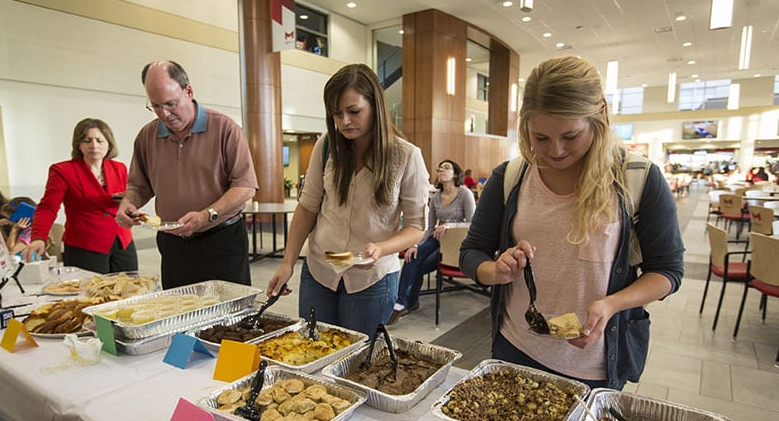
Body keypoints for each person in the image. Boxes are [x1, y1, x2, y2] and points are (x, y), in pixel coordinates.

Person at [459, 56, 684, 390]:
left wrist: (612, 304)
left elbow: (668, 271)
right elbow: (472, 251)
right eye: (541, 137)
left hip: (593, 366)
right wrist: (495, 271)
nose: (556, 151)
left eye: (571, 136)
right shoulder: (510, 177)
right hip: (514, 348)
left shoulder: (638, 179)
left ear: (601, 115)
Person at [266, 64, 430, 335]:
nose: (344, 122)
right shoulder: (327, 145)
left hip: (371, 279)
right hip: (321, 267)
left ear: (375, 106)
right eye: (336, 114)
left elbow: (416, 228)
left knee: (357, 360)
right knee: (312, 348)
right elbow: (307, 208)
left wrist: (381, 247)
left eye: (354, 112)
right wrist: (287, 263)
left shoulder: (406, 156)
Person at [116, 60, 258, 289]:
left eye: (171, 104)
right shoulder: (147, 136)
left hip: (220, 239)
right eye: (156, 106)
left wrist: (207, 214)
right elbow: (138, 186)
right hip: (173, 244)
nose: (164, 114)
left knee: (229, 316)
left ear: (188, 91)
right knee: (178, 310)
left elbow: (245, 186)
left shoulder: (225, 129)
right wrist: (128, 204)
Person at [25, 119, 138, 273]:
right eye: (87, 140)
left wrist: (131, 208)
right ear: (78, 144)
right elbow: (47, 208)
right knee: (92, 295)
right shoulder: (63, 171)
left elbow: (128, 200)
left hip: (122, 242)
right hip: (86, 245)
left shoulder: (119, 168)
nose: (94, 145)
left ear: (109, 144)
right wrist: (39, 237)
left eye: (99, 140)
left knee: (130, 290)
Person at [388, 159, 475, 324]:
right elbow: (428, 228)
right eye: (440, 168)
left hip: (454, 242)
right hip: (436, 238)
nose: (441, 170)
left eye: (446, 167)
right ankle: (401, 302)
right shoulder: (436, 197)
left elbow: (472, 223)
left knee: (420, 267)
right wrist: (415, 245)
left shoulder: (465, 194)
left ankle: (410, 302)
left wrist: (449, 225)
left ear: (456, 173)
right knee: (411, 257)